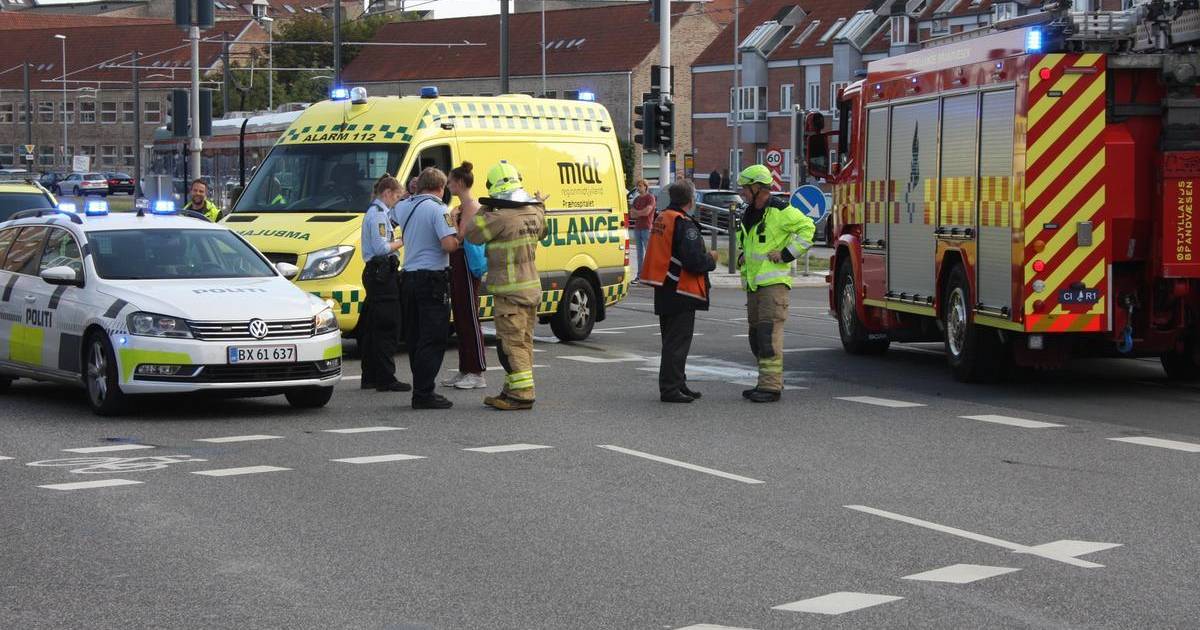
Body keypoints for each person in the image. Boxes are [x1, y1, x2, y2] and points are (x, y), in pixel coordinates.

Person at [464, 161, 547, 411]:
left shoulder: (498, 217)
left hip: (510, 291)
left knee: (511, 344)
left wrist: (486, 206)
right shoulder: (534, 212)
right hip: (531, 289)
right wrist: (540, 203)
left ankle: (522, 393)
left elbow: (471, 234)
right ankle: (511, 389)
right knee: (524, 341)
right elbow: (543, 231)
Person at [735, 164, 815, 403]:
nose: (743, 193)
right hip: (753, 285)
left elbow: (807, 228)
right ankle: (765, 381)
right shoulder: (750, 212)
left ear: (757, 187)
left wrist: (786, 254)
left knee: (768, 336)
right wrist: (741, 254)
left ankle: (770, 387)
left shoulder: (781, 210)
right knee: (756, 336)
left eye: (745, 188)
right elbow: (747, 241)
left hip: (773, 285)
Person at [640, 181, 716, 403]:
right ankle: (671, 388)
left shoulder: (662, 217)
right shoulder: (683, 223)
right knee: (677, 343)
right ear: (691, 200)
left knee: (671, 341)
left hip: (664, 287)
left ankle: (678, 383)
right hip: (680, 290)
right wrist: (711, 259)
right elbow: (694, 261)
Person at [391, 167, 460, 410]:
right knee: (433, 337)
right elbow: (448, 244)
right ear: (440, 188)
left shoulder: (404, 206)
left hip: (408, 278)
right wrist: (460, 233)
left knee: (415, 337)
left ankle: (421, 388)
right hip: (432, 279)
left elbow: (391, 218)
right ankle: (424, 393)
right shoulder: (439, 209)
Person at [358, 175, 412, 393]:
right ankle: (385, 378)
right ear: (387, 193)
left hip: (376, 273)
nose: (397, 201)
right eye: (397, 196)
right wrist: (403, 240)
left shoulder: (377, 212)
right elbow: (381, 248)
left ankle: (370, 375)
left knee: (372, 327)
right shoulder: (379, 215)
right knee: (387, 326)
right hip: (382, 274)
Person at [442, 162, 488, 390]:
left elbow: (461, 236)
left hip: (467, 265)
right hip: (457, 264)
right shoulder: (462, 206)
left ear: (459, 183)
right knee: (460, 316)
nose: (448, 185)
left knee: (469, 316)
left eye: (450, 181)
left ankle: (477, 371)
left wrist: (451, 218)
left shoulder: (472, 207)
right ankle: (464, 368)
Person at [630, 180, 656, 284]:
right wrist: (640, 212)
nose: (638, 188)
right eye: (637, 186)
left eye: (640, 186)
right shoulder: (636, 200)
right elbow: (632, 215)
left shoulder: (650, 197)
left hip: (647, 227)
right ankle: (639, 275)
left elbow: (647, 212)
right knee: (639, 254)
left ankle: (651, 276)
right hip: (637, 228)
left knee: (649, 253)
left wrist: (638, 212)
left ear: (645, 187)